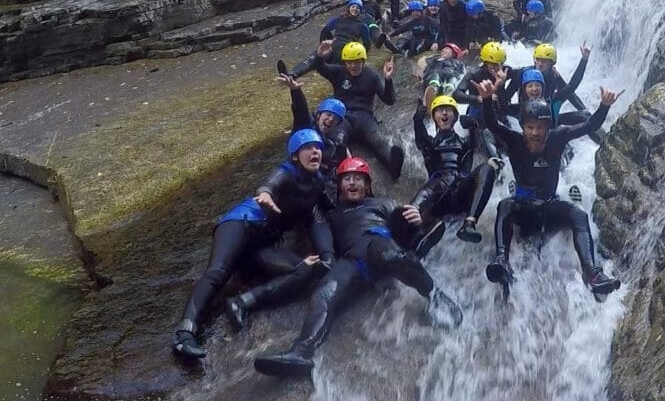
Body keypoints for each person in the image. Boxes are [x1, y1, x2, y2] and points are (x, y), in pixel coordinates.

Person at [243, 157, 463, 380]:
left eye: (358, 178)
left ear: (367, 185)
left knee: (391, 254)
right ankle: (301, 353)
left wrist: (415, 223)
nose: (352, 183)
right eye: (347, 178)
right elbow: (314, 222)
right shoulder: (331, 215)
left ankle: (434, 294)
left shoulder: (382, 204)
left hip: (378, 242)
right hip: (350, 262)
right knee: (324, 293)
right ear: (339, 186)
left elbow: (401, 223)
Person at [171, 128, 333, 359]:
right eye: (307, 148)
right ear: (295, 156)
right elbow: (270, 184)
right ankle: (184, 333)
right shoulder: (285, 172)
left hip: (261, 246)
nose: (315, 151)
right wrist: (265, 193)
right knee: (218, 272)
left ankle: (240, 303)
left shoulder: (318, 182)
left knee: (304, 270)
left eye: (318, 147)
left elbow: (332, 208)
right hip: (240, 225)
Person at [474, 79, 622, 299]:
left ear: (548, 127)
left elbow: (589, 125)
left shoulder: (558, 136)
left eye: (540, 127)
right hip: (523, 208)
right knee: (505, 205)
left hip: (549, 206)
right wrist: (486, 99)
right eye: (530, 127)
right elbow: (493, 125)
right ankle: (502, 261)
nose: (535, 133)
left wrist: (604, 106)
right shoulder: (514, 141)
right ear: (523, 127)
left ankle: (592, 273)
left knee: (578, 215)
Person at [293, 40, 405, 179]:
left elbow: (389, 100)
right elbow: (320, 67)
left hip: (364, 117)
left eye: (357, 62)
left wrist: (388, 79)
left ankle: (393, 166)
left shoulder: (372, 75)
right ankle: (336, 171)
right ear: (345, 62)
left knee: (377, 139)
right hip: (342, 116)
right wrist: (320, 56)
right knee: (339, 140)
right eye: (349, 62)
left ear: (363, 61)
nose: (353, 65)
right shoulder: (339, 71)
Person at [408, 95, 499, 248]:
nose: (444, 113)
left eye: (448, 110)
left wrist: (473, 125)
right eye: (440, 111)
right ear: (434, 117)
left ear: (455, 116)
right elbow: (419, 129)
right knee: (410, 210)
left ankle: (469, 224)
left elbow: (475, 142)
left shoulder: (465, 143)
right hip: (436, 193)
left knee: (487, 168)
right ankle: (410, 237)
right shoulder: (429, 143)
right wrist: (420, 112)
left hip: (460, 191)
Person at [453, 41, 511, 160]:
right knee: (485, 137)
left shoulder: (504, 71)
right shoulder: (474, 74)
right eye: (493, 64)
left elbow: (522, 73)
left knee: (508, 136)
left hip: (498, 113)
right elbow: (456, 94)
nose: (497, 67)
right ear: (485, 62)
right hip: (478, 112)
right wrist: (478, 98)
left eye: (500, 63)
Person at [416, 43, 467, 109]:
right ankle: (432, 93)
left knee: (452, 81)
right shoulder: (435, 60)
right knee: (435, 77)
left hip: (450, 76)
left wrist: (458, 78)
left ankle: (447, 96)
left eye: (447, 49)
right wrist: (423, 76)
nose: (443, 50)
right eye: (443, 49)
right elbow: (427, 70)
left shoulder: (458, 63)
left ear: (454, 53)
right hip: (435, 75)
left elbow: (462, 73)